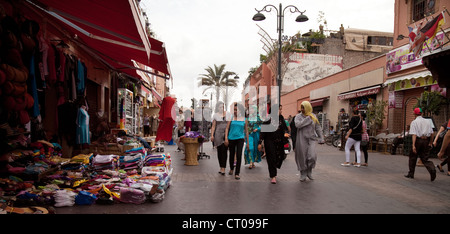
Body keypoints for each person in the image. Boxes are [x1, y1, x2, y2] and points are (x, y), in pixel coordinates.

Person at [258, 104, 289, 184]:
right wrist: (260, 142)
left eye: (281, 109)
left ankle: (273, 171)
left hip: (279, 142)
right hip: (269, 141)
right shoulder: (268, 119)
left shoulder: (281, 118)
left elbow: (285, 129)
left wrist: (286, 133)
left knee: (279, 157)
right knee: (271, 158)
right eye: (280, 109)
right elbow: (263, 132)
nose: (281, 111)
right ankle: (273, 176)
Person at [294, 101, 324, 182]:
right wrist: (307, 119)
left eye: (304, 107)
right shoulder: (298, 116)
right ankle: (303, 172)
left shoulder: (313, 116)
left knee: (312, 156)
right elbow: (298, 125)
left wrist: (321, 137)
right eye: (301, 107)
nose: (302, 109)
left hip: (312, 139)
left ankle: (309, 170)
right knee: (302, 157)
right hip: (301, 139)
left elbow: (318, 127)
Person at [405, 107, 436, 181]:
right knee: (424, 158)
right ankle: (431, 168)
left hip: (418, 140)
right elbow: (432, 133)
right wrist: (431, 142)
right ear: (422, 113)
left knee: (413, 157)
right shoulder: (428, 122)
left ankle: (411, 173)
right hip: (426, 141)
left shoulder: (414, 122)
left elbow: (414, 134)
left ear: (414, 114)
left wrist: (413, 145)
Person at [225, 103, 249, 180]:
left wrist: (248, 142)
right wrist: (226, 138)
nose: (235, 111)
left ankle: (237, 173)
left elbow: (246, 131)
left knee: (239, 155)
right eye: (234, 110)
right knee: (231, 155)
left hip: (240, 139)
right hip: (231, 139)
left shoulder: (244, 119)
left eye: (236, 110)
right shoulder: (231, 117)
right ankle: (231, 168)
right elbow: (227, 128)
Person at [210, 102, 230, 175]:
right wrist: (212, 135)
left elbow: (229, 125)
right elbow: (213, 126)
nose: (222, 108)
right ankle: (221, 167)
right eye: (220, 107)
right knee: (219, 151)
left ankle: (224, 168)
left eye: (223, 106)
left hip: (226, 134)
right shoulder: (215, 115)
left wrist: (227, 136)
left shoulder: (227, 114)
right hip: (218, 134)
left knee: (224, 150)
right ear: (217, 107)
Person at [244, 105, 262, 169]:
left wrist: (257, 129)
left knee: (255, 149)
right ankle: (251, 162)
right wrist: (244, 136)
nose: (251, 110)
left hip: (256, 135)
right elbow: (245, 127)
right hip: (249, 135)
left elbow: (263, 126)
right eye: (250, 109)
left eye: (252, 109)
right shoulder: (247, 118)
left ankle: (253, 162)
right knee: (250, 147)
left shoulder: (258, 118)